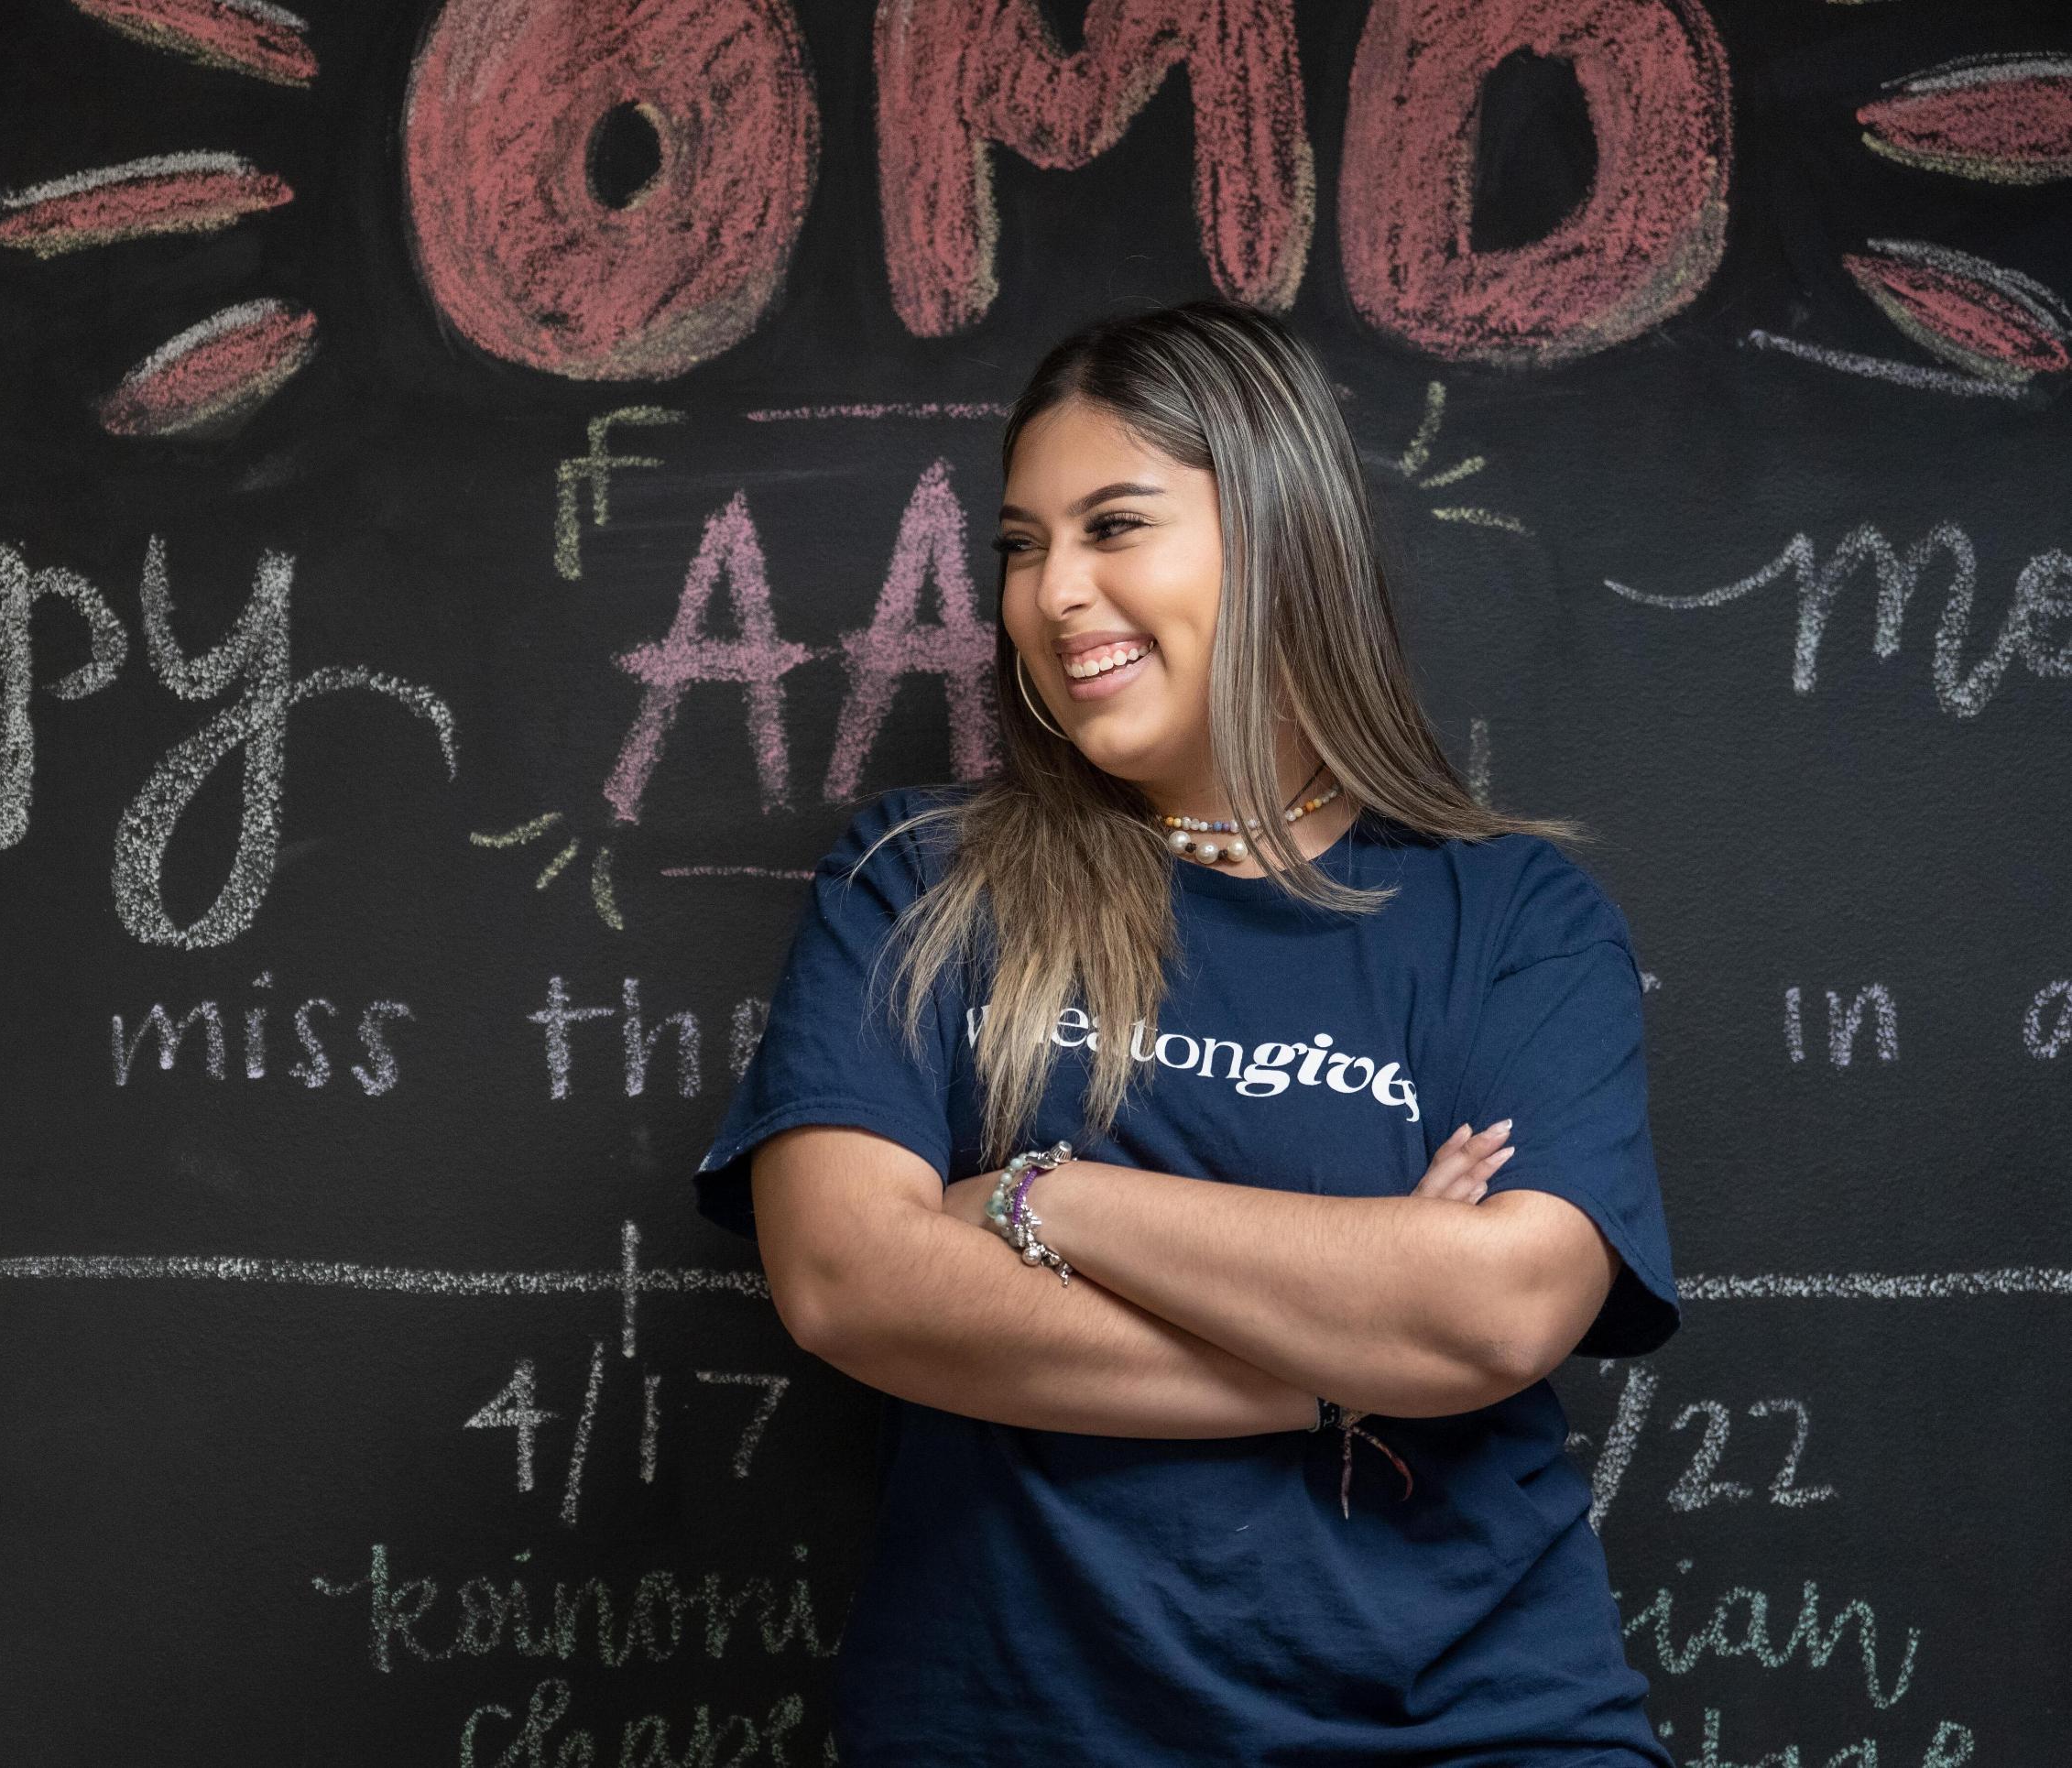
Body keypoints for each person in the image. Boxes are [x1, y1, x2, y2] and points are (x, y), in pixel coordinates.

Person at [691, 300, 1681, 1763]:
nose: (1051, 592)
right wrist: (1353, 1351)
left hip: (1476, 1729)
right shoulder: (919, 879)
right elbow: (848, 1277)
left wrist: (1038, 1197)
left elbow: (1493, 1312)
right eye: (1023, 545)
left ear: (1277, 538)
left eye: (1114, 526)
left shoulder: (1512, 912)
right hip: (1020, 1729)